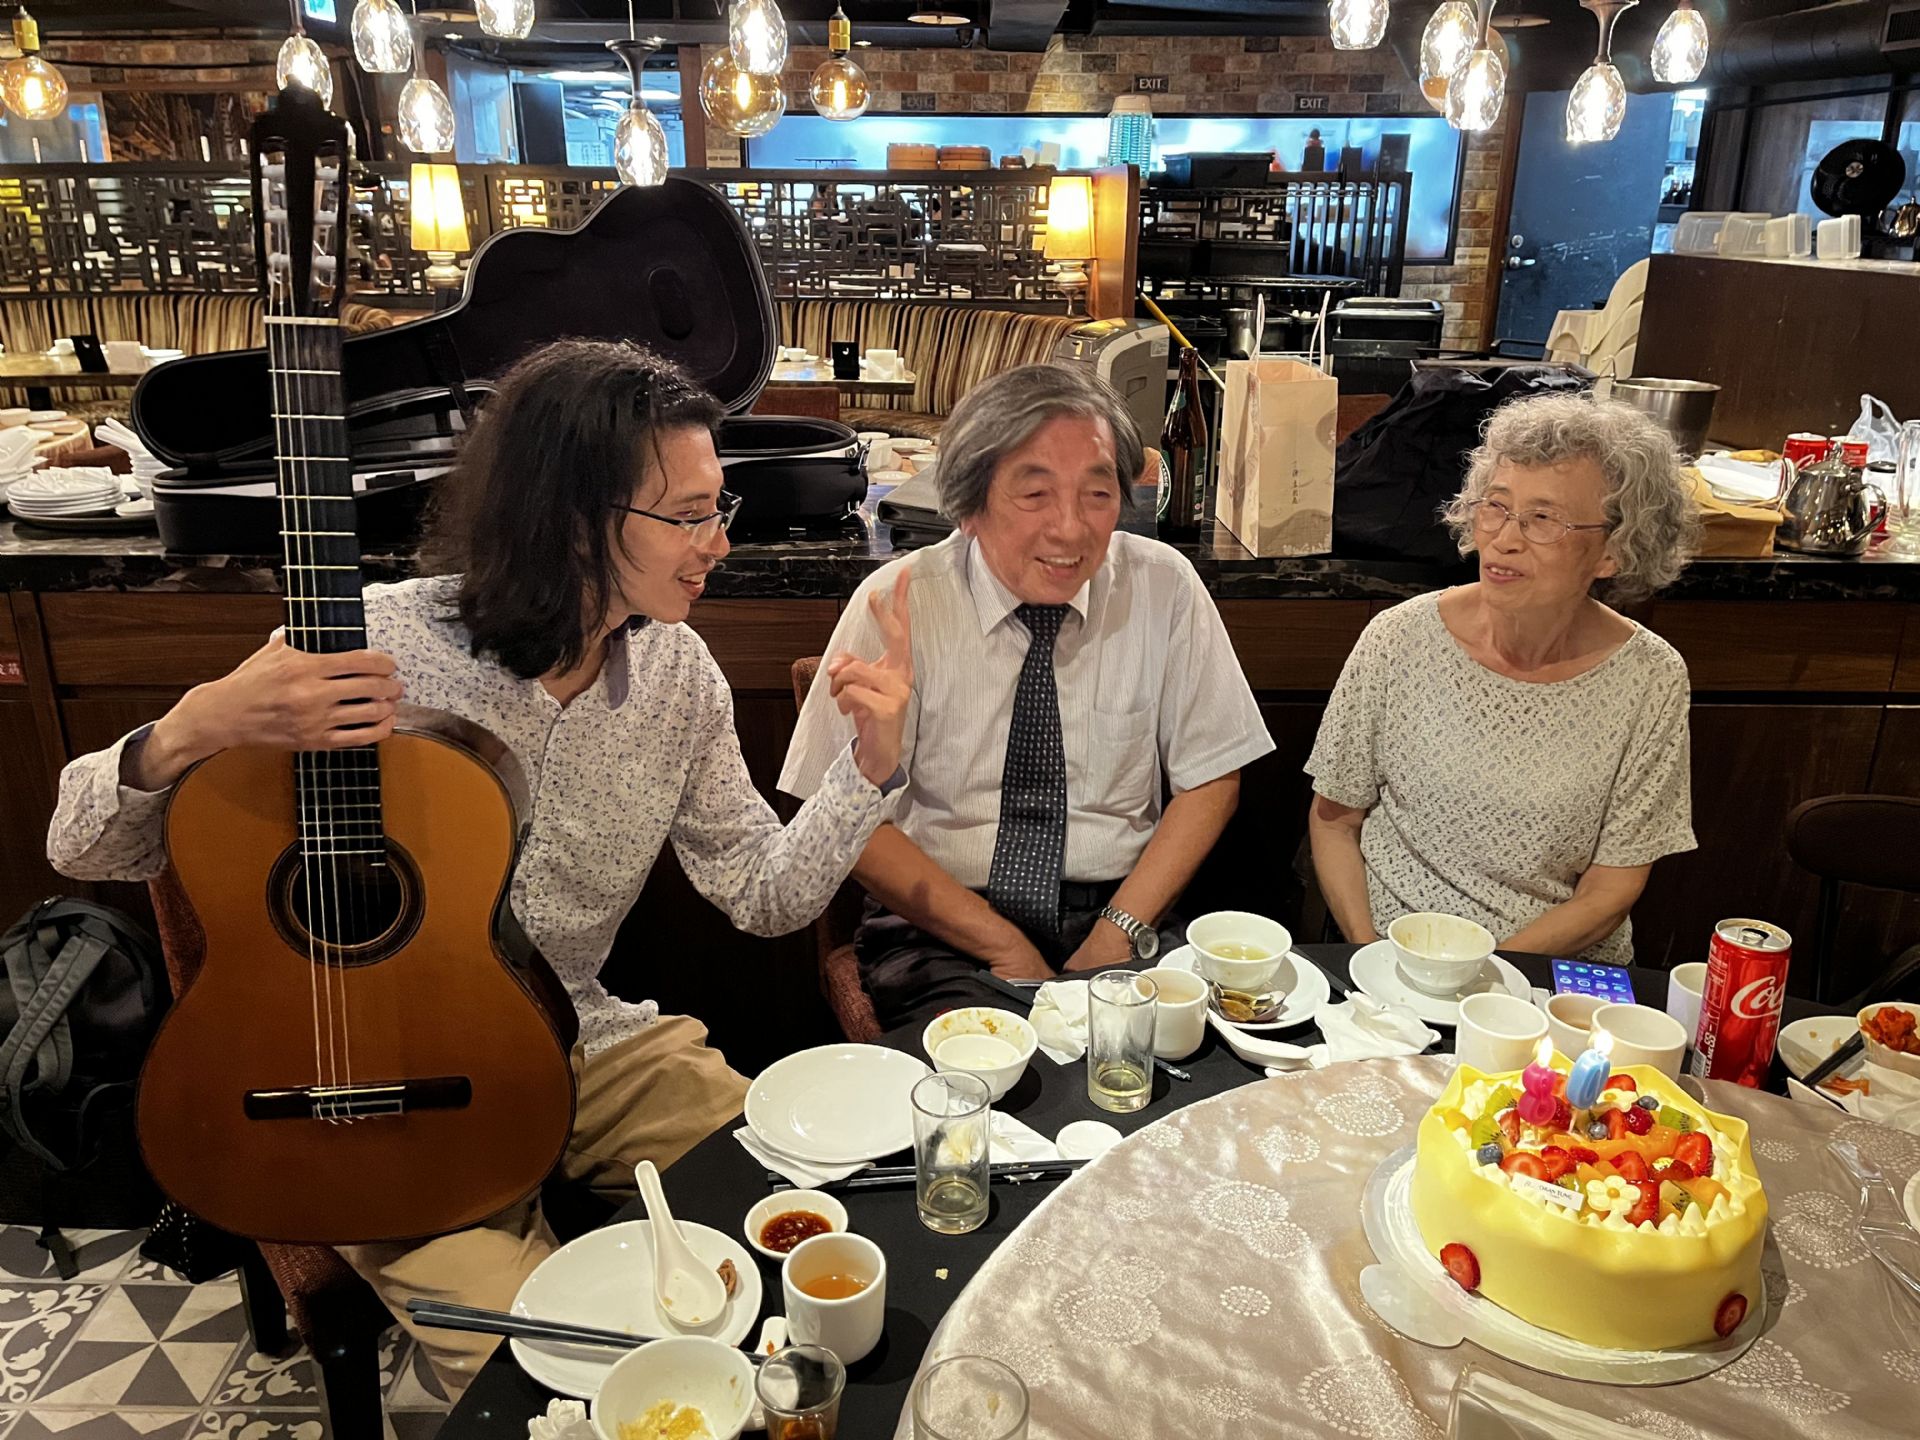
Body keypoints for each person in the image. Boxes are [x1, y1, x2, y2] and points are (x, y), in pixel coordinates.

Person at [45, 338, 913, 1392]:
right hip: (374, 1077)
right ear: (573, 517)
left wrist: (868, 772)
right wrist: (194, 726)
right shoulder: (370, 645)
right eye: (690, 515)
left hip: (585, 1040)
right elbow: (82, 842)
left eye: (717, 508)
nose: (718, 544)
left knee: (800, 1218)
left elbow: (763, 897)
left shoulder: (678, 673)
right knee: (561, 1362)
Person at [781, 364, 1273, 1030]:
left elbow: (1211, 779)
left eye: (1097, 493)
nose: (1070, 529)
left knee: (1163, 1072)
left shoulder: (1163, 586)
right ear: (970, 504)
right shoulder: (900, 601)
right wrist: (1001, 944)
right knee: (993, 1074)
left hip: (1123, 912)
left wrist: (1116, 933)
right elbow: (839, 817)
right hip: (943, 924)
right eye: (1035, 494)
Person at [1305, 393, 1701, 964]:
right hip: (1396, 961)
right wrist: (1370, 956)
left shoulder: (1651, 677)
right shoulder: (1398, 638)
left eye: (1544, 519)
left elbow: (1610, 890)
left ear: (1613, 551)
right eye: (1496, 506)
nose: (1505, 539)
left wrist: (1486, 976)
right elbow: (1334, 822)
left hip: (1552, 972)